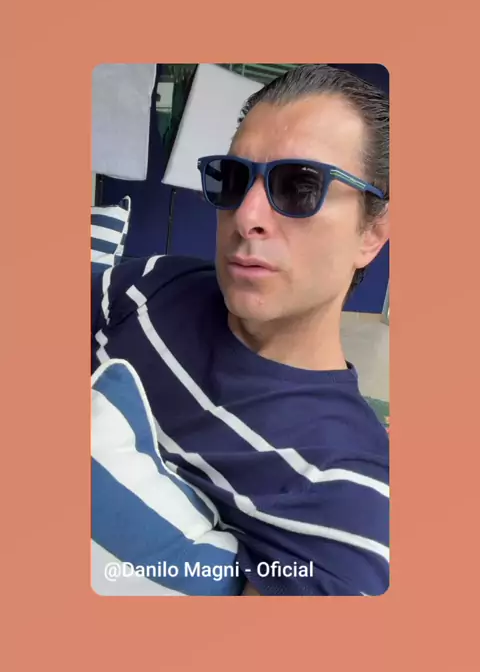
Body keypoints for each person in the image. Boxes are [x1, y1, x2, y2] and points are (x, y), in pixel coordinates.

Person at [91, 64, 390, 596]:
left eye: (300, 187)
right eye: (232, 179)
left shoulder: (348, 496)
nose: (247, 214)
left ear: (372, 233)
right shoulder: (159, 282)